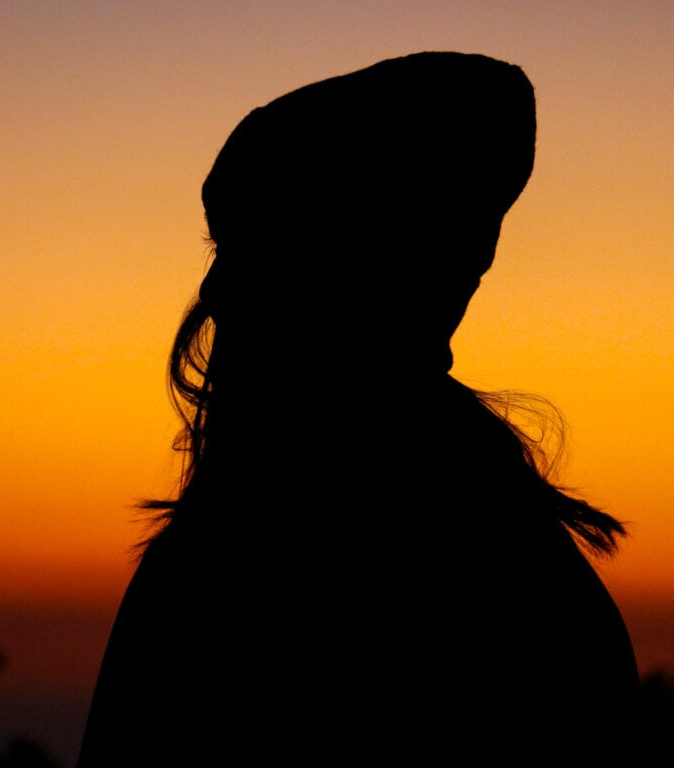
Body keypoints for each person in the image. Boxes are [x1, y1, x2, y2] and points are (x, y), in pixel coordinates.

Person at [77, 52, 640, 766]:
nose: (215, 290)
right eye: (220, 248)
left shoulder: (258, 561)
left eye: (253, 249)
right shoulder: (507, 543)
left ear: (350, 270)